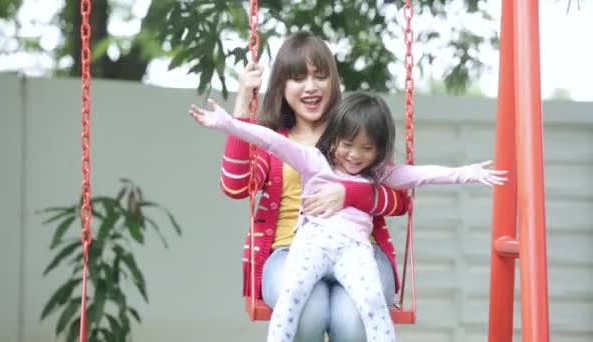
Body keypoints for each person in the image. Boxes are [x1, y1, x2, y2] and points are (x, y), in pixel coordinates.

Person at [190, 92, 507, 342]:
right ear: (334, 138)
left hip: (354, 250)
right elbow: (271, 141)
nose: (355, 155)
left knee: (370, 302)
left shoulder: (379, 174)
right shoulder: (313, 160)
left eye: (367, 148)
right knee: (293, 295)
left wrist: (467, 173)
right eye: (347, 145)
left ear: (380, 150)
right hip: (312, 243)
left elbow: (420, 175)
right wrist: (228, 123)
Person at [219, 31, 408, 342]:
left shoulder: (352, 133)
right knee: (308, 311)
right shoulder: (274, 142)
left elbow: (400, 200)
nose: (310, 87)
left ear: (333, 81)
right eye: (297, 78)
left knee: (352, 319)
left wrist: (349, 193)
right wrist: (242, 105)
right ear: (281, 86)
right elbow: (235, 185)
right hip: (289, 252)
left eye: (320, 76)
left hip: (360, 251)